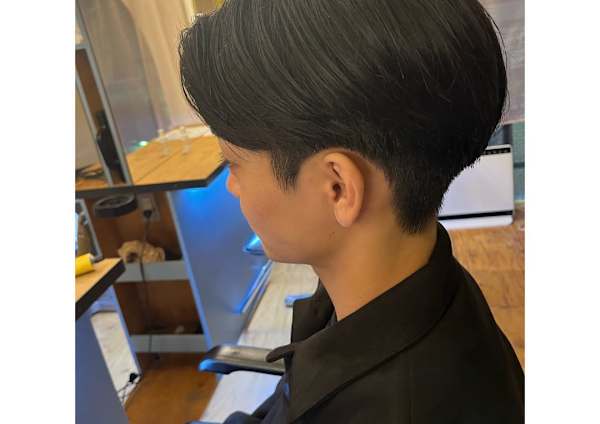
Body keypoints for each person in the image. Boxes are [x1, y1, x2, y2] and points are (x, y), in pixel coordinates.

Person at [179, 0, 524, 422]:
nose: (232, 186)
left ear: (338, 187)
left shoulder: (397, 405)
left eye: (233, 164)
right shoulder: (408, 281)